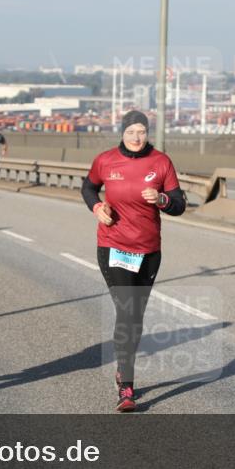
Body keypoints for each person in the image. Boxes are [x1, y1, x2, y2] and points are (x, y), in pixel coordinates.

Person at [81, 110, 186, 412]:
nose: (136, 137)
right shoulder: (106, 160)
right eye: (131, 132)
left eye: (141, 131)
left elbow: (179, 204)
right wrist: (97, 206)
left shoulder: (161, 162)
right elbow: (88, 187)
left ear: (147, 133)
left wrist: (163, 199)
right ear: (122, 133)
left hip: (149, 250)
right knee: (126, 311)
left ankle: (122, 370)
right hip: (113, 246)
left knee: (136, 317)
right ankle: (126, 385)